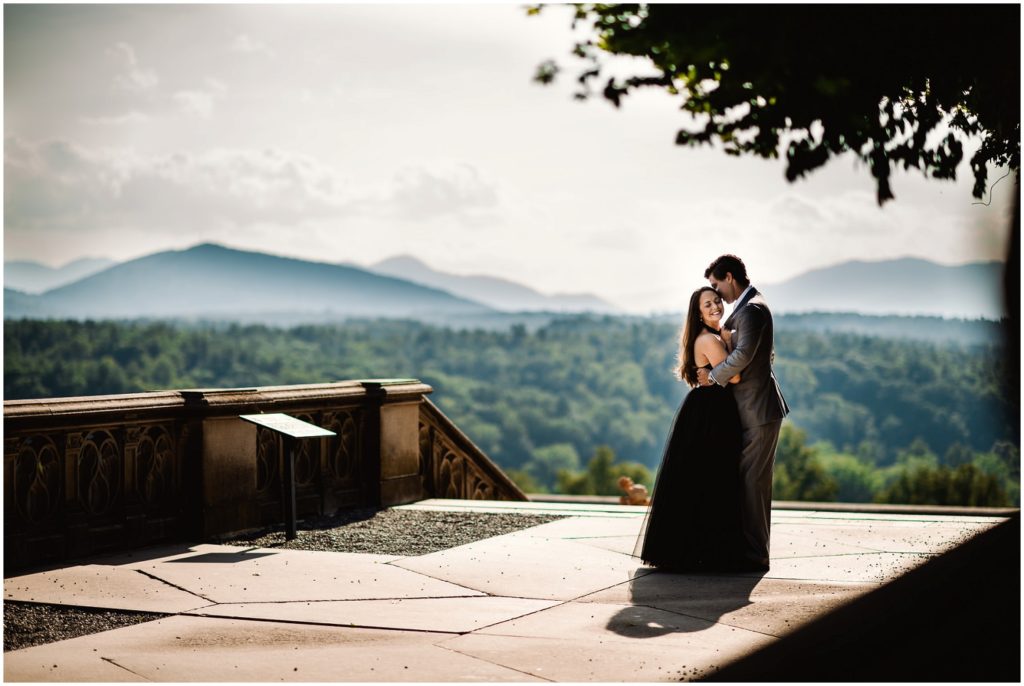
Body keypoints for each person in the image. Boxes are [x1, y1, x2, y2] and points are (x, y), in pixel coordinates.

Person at [633, 286, 749, 571]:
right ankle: (709, 552)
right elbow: (734, 377)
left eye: (717, 301)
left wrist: (724, 342)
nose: (715, 307)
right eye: (707, 304)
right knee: (714, 477)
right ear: (698, 312)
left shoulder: (712, 337)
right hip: (713, 412)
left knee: (702, 478)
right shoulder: (708, 339)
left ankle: (699, 549)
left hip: (705, 408)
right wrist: (725, 346)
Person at [697, 254, 789, 571]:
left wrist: (712, 375)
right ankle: (748, 551)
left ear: (731, 277)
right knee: (750, 482)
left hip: (759, 410)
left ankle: (755, 557)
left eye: (716, 285)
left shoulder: (752, 310)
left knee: (754, 484)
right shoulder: (750, 309)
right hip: (755, 408)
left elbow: (744, 355)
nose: (717, 293)